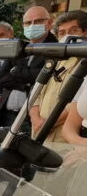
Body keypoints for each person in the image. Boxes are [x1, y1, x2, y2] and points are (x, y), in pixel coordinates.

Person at [30, 10, 87, 140]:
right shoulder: (55, 61)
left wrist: (48, 123)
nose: (67, 36)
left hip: (64, 137)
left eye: (73, 31)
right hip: (38, 132)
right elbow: (36, 93)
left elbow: (77, 103)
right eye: (62, 33)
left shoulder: (84, 63)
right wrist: (35, 119)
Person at [0, 7, 55, 128]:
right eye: (27, 23)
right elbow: (0, 78)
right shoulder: (18, 46)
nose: (32, 25)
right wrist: (26, 84)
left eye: (38, 21)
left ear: (49, 23)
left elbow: (46, 77)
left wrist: (16, 71)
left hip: (34, 117)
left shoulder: (56, 48)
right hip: (7, 115)